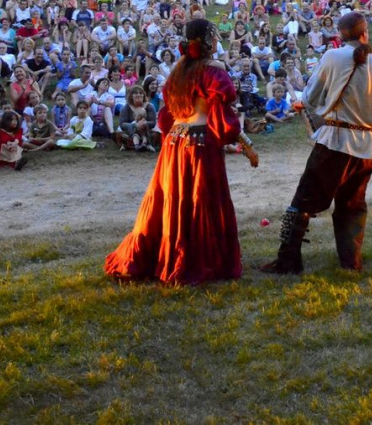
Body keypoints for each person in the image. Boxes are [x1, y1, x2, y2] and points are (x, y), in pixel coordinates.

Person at [105, 19, 259, 286]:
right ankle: (193, 260)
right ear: (207, 41)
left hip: (174, 145)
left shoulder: (178, 71)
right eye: (213, 36)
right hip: (200, 145)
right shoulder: (214, 70)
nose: (216, 41)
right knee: (201, 200)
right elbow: (223, 118)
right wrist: (247, 146)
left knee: (174, 199)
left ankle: (165, 254)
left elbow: (167, 117)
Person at [260, 11, 372, 274]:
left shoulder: (332, 56)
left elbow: (311, 95)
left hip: (335, 142)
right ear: (364, 34)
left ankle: (288, 262)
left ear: (340, 35)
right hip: (369, 148)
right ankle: (351, 263)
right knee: (352, 205)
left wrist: (314, 105)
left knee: (302, 201)